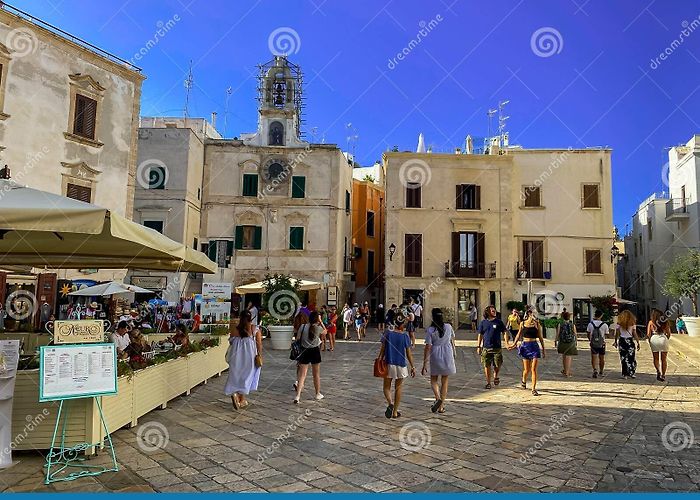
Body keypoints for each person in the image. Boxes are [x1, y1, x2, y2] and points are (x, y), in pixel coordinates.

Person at [378, 308, 416, 418]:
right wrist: (413, 366)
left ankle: (390, 403)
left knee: (386, 387)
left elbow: (383, 348)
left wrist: (379, 358)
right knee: (398, 388)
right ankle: (395, 411)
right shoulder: (405, 336)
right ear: (403, 323)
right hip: (401, 364)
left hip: (389, 362)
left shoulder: (388, 333)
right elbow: (409, 353)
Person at [224, 310, 262, 410]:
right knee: (247, 377)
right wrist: (260, 355)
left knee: (236, 376)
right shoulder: (254, 329)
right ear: (251, 318)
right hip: (249, 357)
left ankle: (239, 398)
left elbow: (231, 342)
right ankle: (240, 398)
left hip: (236, 357)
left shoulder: (235, 329)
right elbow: (259, 344)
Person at [421, 308, 456, 414]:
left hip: (435, 354)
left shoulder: (430, 330)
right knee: (445, 381)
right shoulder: (449, 327)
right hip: (447, 353)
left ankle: (437, 398)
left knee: (433, 380)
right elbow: (452, 339)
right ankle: (441, 406)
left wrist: (424, 363)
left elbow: (428, 346)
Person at [509, 307, 546, 396]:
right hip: (525, 346)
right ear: (529, 314)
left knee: (533, 369)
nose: (534, 315)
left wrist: (543, 350)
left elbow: (540, 337)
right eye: (533, 313)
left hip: (534, 346)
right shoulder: (522, 323)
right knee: (527, 369)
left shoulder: (537, 324)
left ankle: (533, 389)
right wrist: (513, 344)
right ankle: (524, 381)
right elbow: (518, 335)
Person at [294, 310, 325, 403]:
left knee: (302, 375)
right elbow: (325, 332)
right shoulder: (318, 328)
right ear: (317, 319)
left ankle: (298, 396)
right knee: (316, 374)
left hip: (304, 350)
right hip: (314, 351)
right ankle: (317, 393)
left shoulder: (303, 327)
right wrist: (321, 322)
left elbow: (298, 338)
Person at [477, 305, 508, 390]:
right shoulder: (483, 323)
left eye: (495, 310)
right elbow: (480, 335)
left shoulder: (499, 322)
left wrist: (506, 343)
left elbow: (504, 332)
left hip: (497, 348)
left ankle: (496, 375)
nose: (494, 312)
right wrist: (478, 346)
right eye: (492, 311)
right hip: (486, 348)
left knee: (498, 364)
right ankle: (488, 382)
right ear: (488, 312)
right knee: (486, 365)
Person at [614, 310, 641, 379]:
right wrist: (638, 342)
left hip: (622, 341)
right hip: (629, 340)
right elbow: (634, 333)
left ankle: (624, 373)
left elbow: (617, 333)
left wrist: (615, 341)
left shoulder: (619, 323)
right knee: (631, 357)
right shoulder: (632, 323)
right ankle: (631, 372)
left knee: (623, 358)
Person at [647, 308, 671, 382]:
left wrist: (650, 341)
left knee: (656, 358)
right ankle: (663, 375)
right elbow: (668, 333)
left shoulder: (651, 322)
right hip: (663, 338)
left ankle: (658, 371)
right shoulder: (665, 322)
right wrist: (666, 339)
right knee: (664, 359)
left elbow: (648, 334)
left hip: (654, 339)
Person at [587, 310, 609, 378]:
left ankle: (594, 370)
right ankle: (601, 371)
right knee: (601, 358)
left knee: (593, 357)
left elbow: (588, 333)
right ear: (601, 315)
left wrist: (590, 340)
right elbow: (607, 334)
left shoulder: (590, 324)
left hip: (593, 343)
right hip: (602, 343)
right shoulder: (604, 325)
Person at [554, 311, 577, 377]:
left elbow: (558, 334)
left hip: (562, 342)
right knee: (568, 357)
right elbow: (575, 334)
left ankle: (565, 370)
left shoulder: (560, 324)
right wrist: (576, 341)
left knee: (564, 356)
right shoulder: (572, 325)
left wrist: (555, 341)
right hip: (570, 342)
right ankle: (567, 372)